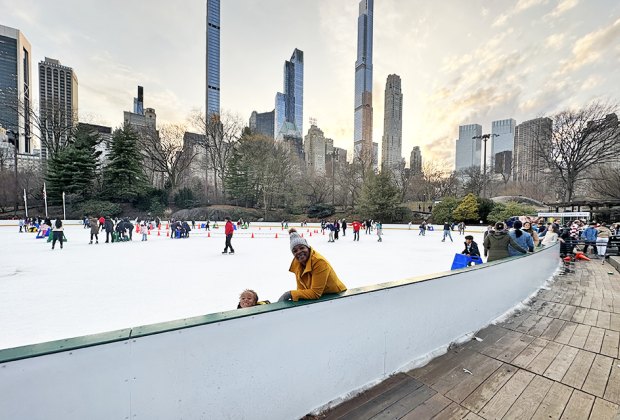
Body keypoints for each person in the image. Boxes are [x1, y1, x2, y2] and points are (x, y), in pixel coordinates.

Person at [278, 229, 347, 301]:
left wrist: (290, 294)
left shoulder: (319, 262)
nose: (299, 252)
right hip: (321, 297)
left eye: (302, 248)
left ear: (307, 247)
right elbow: (301, 289)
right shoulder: (297, 263)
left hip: (336, 296)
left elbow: (315, 293)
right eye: (295, 251)